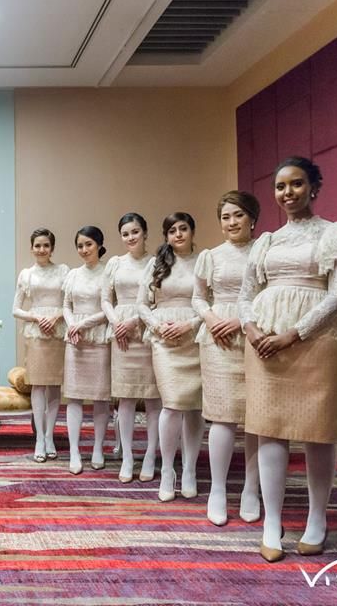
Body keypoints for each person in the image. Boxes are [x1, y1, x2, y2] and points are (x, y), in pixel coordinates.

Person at [238, 156, 337, 563]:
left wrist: (294, 333)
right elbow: (246, 294)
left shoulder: (336, 233)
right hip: (264, 343)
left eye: (296, 184)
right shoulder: (266, 241)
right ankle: (272, 522)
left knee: (318, 432)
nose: (287, 192)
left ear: (313, 187)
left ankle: (316, 519)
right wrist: (252, 328)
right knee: (269, 430)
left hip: (318, 340)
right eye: (280, 186)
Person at [193, 191, 261, 526]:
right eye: (225, 217)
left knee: (256, 416)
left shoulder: (264, 251)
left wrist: (240, 320)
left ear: (252, 219)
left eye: (238, 215)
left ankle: (252, 488)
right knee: (221, 414)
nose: (232, 222)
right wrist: (210, 318)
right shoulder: (211, 256)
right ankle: (217, 490)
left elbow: (268, 294)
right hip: (216, 337)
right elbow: (198, 297)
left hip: (254, 333)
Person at [138, 213, 203, 502]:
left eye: (183, 228)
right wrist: (157, 325)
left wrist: (190, 325)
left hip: (193, 336)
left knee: (194, 406)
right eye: (172, 230)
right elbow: (141, 304)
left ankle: (190, 469)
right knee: (172, 404)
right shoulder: (156, 263)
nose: (178, 234)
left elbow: (210, 302)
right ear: (166, 235)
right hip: (163, 339)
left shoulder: (203, 261)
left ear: (192, 231)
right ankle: (167, 470)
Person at [101, 214, 161, 483]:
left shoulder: (157, 262)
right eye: (125, 233)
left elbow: (158, 300)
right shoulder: (115, 263)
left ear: (145, 233)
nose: (130, 237)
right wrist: (117, 323)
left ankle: (150, 455)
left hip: (145, 329)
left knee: (152, 398)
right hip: (120, 332)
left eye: (135, 232)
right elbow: (105, 299)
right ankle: (127, 456)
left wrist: (134, 321)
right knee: (125, 397)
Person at [13, 228, 69, 463]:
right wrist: (36, 317)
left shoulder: (63, 271)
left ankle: (49, 436)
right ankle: (38, 439)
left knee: (54, 385)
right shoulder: (27, 274)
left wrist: (56, 317)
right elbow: (15, 309)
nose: (42, 249)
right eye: (37, 245)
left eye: (46, 245)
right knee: (37, 384)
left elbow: (70, 303)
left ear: (52, 248)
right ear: (31, 248)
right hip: (36, 332)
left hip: (57, 330)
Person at [62, 226, 111, 475]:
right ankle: (74, 451)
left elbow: (109, 307)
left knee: (101, 397)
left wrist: (84, 324)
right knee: (74, 396)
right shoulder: (73, 274)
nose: (84, 250)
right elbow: (66, 305)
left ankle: (98, 448)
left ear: (99, 245)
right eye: (80, 245)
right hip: (76, 339)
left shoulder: (108, 272)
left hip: (98, 336)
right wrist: (72, 324)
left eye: (88, 244)